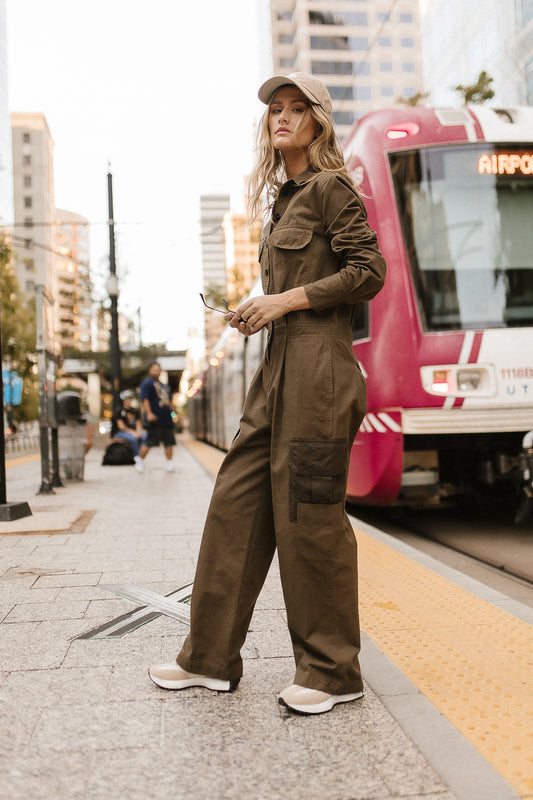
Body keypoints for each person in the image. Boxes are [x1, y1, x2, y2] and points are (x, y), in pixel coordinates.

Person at [149, 73, 386, 714]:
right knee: (235, 503)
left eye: (294, 108)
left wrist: (282, 300)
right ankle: (209, 659)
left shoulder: (333, 188)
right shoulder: (286, 197)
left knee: (310, 521)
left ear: (318, 121)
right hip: (276, 374)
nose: (281, 117)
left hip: (319, 377)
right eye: (274, 110)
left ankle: (333, 671)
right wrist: (260, 311)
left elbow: (369, 272)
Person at [138, 361, 176, 473]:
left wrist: (175, 411)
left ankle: (169, 464)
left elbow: (168, 401)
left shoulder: (164, 385)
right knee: (149, 441)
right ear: (150, 371)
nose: (156, 371)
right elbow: (144, 399)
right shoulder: (147, 384)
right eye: (154, 369)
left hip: (167, 418)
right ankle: (140, 461)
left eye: (158, 369)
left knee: (169, 441)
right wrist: (149, 413)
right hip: (154, 418)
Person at [110, 390, 143, 466]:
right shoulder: (119, 410)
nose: (128, 400)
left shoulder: (135, 410)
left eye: (130, 398)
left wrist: (138, 432)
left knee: (144, 436)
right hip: (120, 433)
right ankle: (136, 457)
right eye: (126, 399)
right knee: (133, 439)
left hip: (132, 432)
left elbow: (138, 423)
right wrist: (133, 432)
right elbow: (121, 427)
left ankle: (140, 456)